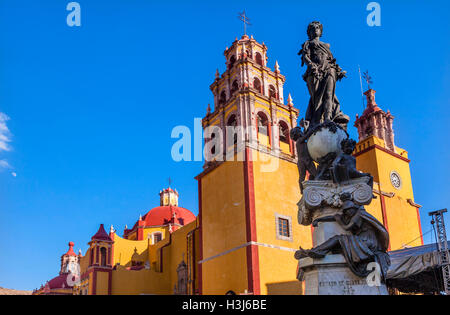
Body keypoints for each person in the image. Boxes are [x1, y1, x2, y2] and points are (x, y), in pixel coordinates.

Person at [298, 21, 349, 130]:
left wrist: (339, 71)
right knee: (316, 99)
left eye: (317, 28)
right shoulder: (308, 43)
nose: (315, 30)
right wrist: (311, 65)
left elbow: (331, 60)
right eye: (313, 29)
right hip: (315, 72)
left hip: (329, 69)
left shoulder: (326, 45)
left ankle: (328, 118)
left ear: (321, 31)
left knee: (329, 94)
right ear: (309, 33)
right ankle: (316, 121)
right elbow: (306, 57)